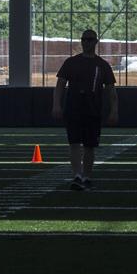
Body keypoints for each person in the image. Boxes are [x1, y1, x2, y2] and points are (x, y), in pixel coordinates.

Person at [52, 29, 118, 190]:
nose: (86, 42)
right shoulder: (71, 62)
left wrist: (114, 110)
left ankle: (87, 175)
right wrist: (56, 105)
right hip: (73, 108)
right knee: (74, 143)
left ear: (95, 42)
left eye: (89, 40)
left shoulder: (102, 65)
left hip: (93, 110)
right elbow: (60, 85)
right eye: (84, 39)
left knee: (90, 146)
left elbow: (111, 90)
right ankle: (77, 175)